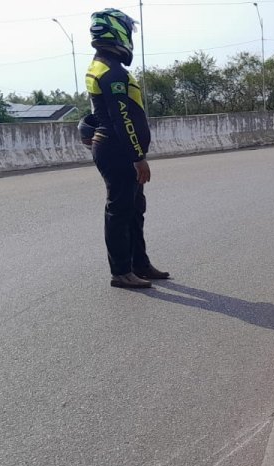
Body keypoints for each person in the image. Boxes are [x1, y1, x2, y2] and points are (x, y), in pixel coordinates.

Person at [85, 8, 169, 290]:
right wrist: (138, 157)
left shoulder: (103, 66)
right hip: (119, 151)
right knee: (120, 210)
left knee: (134, 209)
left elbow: (100, 112)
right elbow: (123, 119)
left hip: (115, 148)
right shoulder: (112, 72)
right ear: (116, 32)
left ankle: (139, 263)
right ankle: (121, 272)